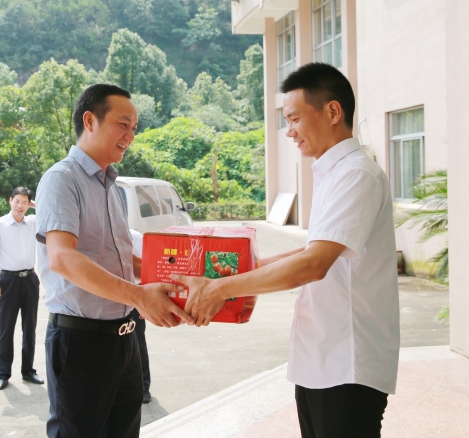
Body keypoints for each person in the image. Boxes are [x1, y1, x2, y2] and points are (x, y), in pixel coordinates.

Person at [175, 63, 399, 438]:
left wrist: (220, 289)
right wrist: (238, 272)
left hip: (346, 365)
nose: (290, 131)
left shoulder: (357, 174)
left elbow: (313, 265)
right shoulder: (333, 173)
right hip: (321, 361)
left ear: (333, 111)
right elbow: (311, 252)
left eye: (294, 119)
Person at [35, 83, 194, 438]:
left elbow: (121, 257)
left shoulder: (110, 186)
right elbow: (62, 258)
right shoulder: (62, 180)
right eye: (123, 125)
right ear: (89, 121)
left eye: (134, 128)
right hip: (80, 343)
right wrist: (139, 296)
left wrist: (179, 280)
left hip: (124, 339)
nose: (130, 136)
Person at [0, 186, 44, 390]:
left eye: (24, 202)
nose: (20, 206)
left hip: (30, 280)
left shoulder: (33, 221)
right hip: (8, 281)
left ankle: (28, 371)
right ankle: (3, 373)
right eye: (17, 201)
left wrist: (34, 204)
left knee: (30, 328)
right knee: (6, 329)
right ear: (10, 200)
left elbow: (50, 211)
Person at [129, 229, 152, 404]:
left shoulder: (136, 237)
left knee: (137, 341)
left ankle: (143, 386)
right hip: (110, 294)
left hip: (135, 295)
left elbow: (149, 269)